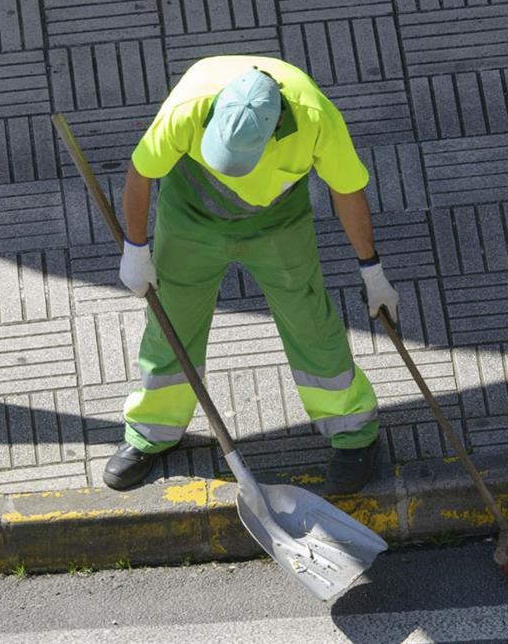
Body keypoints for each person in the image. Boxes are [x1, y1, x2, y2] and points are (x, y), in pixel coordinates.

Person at [103, 55, 398, 495]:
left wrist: (371, 269)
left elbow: (347, 190)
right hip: (190, 221)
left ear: (277, 124)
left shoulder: (316, 116)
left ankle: (354, 431)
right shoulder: (190, 104)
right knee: (171, 324)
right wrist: (136, 248)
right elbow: (142, 173)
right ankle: (153, 430)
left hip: (276, 225)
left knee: (309, 321)